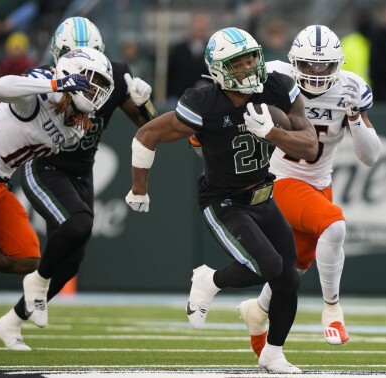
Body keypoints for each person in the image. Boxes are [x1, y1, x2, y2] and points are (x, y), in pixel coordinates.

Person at [125, 27, 318, 373]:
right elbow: (148, 133)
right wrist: (139, 188)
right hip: (223, 200)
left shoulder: (277, 86)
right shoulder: (204, 104)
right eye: (237, 62)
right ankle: (208, 281)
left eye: (250, 59)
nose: (247, 68)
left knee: (288, 277)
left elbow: (310, 146)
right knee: (269, 266)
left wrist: (272, 133)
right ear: (218, 70)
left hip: (262, 194)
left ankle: (273, 354)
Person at [0, 16, 157, 351]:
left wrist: (145, 103)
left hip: (82, 170)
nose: (86, 75)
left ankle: (10, 322)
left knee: (70, 261)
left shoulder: (115, 74)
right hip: (45, 165)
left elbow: (149, 127)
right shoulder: (44, 77)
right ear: (59, 57)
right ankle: (27, 280)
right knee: (78, 225)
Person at [237, 25, 381, 357]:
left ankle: (257, 313)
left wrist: (355, 117)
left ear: (339, 65)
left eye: (324, 66)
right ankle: (332, 310)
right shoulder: (274, 77)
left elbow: (370, 156)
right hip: (280, 177)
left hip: (319, 183)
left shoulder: (350, 88)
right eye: (308, 65)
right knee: (335, 225)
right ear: (292, 62)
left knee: (295, 269)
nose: (316, 73)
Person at [0, 47, 113, 324]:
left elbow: (55, 138)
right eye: (92, 82)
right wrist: (55, 84)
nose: (94, 92)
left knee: (27, 258)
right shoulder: (41, 91)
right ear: (72, 73)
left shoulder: (76, 127)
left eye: (100, 88)